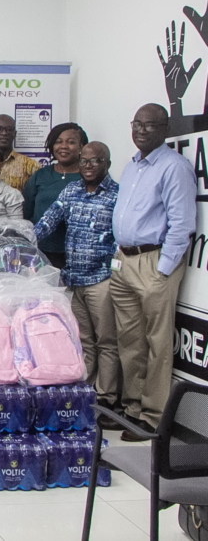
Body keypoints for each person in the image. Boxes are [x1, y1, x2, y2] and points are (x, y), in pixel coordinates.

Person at [111, 103, 196, 440]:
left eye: (150, 125)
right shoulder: (132, 167)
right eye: (137, 124)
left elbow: (182, 224)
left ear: (165, 129)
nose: (141, 130)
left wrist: (162, 271)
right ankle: (131, 408)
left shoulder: (174, 167)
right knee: (129, 342)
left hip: (153, 262)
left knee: (157, 343)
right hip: (124, 262)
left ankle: (153, 416)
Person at [33, 142, 120, 427]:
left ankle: (106, 398)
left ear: (106, 162)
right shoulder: (71, 191)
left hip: (102, 280)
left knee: (107, 341)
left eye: (95, 161)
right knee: (82, 340)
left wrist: (114, 271)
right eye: (84, 161)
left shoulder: (117, 195)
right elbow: (49, 221)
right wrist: (22, 240)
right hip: (73, 277)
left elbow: (122, 237)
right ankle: (88, 393)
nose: (89, 166)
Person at [23, 123, 88, 269]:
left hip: (77, 255)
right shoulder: (40, 175)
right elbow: (27, 213)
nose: (63, 146)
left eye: (71, 142)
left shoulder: (89, 176)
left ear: (82, 147)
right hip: (42, 253)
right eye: (58, 141)